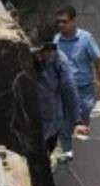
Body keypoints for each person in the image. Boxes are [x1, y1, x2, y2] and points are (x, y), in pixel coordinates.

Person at [54, 6, 100, 154]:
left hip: (84, 92)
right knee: (65, 128)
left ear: (73, 21)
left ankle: (87, 159)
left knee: (84, 128)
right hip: (64, 94)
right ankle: (68, 156)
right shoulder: (56, 41)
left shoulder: (86, 39)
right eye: (59, 22)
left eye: (64, 22)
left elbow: (99, 62)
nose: (61, 25)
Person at [31, 24, 87, 156]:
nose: (42, 56)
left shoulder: (58, 59)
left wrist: (77, 121)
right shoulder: (23, 58)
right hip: (31, 125)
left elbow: (70, 89)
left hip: (52, 123)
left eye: (46, 51)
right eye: (39, 52)